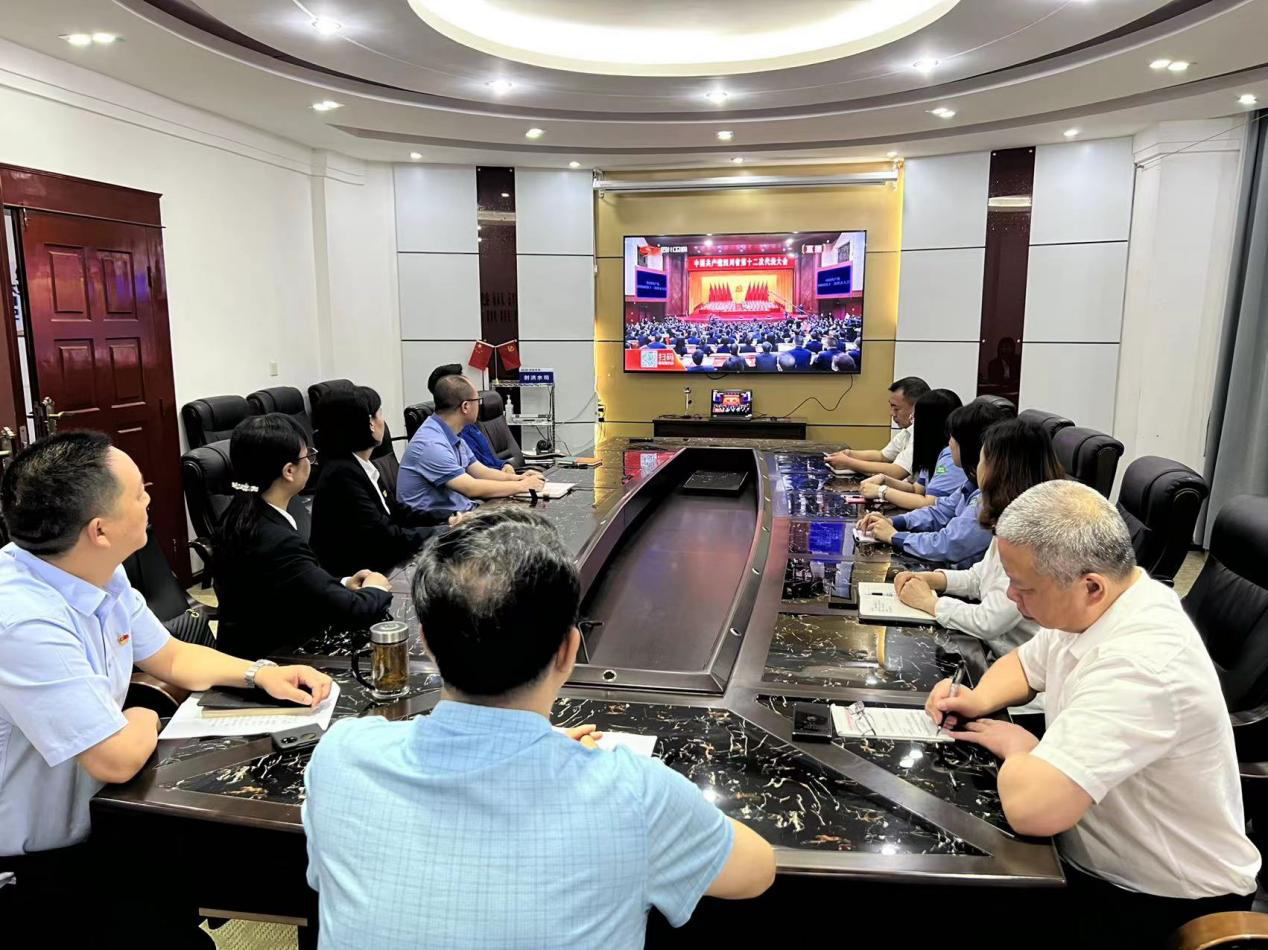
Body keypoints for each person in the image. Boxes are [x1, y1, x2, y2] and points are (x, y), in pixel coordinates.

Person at [304, 508, 776, 949]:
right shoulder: (634, 793)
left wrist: (540, 748)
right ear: (569, 651)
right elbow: (758, 871)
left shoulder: (341, 755)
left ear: (426, 643)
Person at [0, 431, 332, 942]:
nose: (150, 500)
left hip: (108, 814)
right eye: (138, 494)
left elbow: (170, 655)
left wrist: (259, 672)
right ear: (99, 530)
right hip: (34, 864)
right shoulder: (23, 620)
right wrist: (143, 713)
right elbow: (113, 757)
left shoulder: (96, 570)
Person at [925, 481, 1260, 947]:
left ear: (1091, 587)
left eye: (1023, 588)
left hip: (1157, 900)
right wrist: (978, 699)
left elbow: (1033, 810)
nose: (1012, 597)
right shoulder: (1101, 604)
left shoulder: (1141, 663)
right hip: (1096, 856)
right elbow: (1024, 664)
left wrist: (1022, 749)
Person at [214, 414, 394, 657]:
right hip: (276, 657)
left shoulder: (237, 513)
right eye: (307, 455)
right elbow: (355, 612)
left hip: (246, 647)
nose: (312, 461)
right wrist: (376, 589)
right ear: (289, 471)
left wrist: (342, 583)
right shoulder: (277, 540)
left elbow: (290, 581)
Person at [891, 417, 1065, 658]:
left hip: (1017, 665)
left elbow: (988, 621)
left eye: (982, 460)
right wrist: (933, 579)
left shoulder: (1032, 535)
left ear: (1000, 470)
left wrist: (929, 603)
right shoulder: (1010, 514)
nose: (977, 467)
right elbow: (979, 577)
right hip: (995, 652)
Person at [311, 387, 457, 577]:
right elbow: (386, 538)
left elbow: (396, 512)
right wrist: (446, 531)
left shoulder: (360, 465)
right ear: (370, 423)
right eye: (380, 413)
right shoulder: (341, 476)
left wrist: (448, 518)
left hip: (380, 567)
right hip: (358, 580)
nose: (383, 421)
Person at [857, 397, 1011, 568]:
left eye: (953, 437)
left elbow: (949, 544)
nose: (949, 443)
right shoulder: (971, 483)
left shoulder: (988, 496)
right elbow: (940, 511)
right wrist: (894, 522)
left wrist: (893, 536)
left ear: (968, 446)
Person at [398, 374, 545, 514]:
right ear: (466, 406)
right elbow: (471, 488)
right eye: (477, 400)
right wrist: (521, 486)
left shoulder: (452, 434)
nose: (479, 405)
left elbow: (481, 472)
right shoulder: (431, 444)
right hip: (436, 524)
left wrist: (519, 478)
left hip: (461, 512)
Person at [859, 388, 963, 510]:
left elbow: (929, 503)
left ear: (931, 423)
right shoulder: (934, 451)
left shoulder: (951, 458)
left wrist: (882, 491)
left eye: (916, 418)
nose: (913, 423)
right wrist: (884, 480)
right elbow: (916, 489)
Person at [825, 376, 929, 478]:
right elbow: (883, 456)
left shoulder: (924, 432)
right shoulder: (907, 431)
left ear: (917, 408)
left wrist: (848, 462)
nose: (892, 413)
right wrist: (850, 454)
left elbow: (897, 472)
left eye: (896, 409)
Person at [426, 364, 514, 473]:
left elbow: (486, 464)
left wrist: (506, 466)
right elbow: (473, 479)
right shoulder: (437, 442)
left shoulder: (467, 427)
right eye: (461, 381)